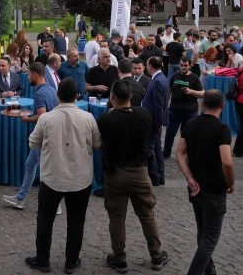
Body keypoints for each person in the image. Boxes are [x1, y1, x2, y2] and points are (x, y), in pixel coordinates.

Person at [24, 77, 102, 274]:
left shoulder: (46, 118)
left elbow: (33, 142)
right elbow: (97, 144)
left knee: (45, 219)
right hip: (80, 178)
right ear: (77, 96)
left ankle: (42, 259)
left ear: (57, 95)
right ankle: (71, 261)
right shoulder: (88, 118)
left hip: (52, 177)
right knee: (76, 221)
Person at [98, 80, 167, 273]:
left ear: (112, 98)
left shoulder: (105, 119)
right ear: (131, 97)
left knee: (117, 218)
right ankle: (156, 255)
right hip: (140, 172)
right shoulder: (144, 115)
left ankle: (119, 258)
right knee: (147, 216)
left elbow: (99, 143)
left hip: (115, 174)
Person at [176, 89, 234, 275]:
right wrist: (230, 181)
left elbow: (180, 152)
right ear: (222, 106)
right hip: (215, 189)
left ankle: (209, 270)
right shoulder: (222, 129)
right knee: (210, 239)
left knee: (203, 231)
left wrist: (189, 177)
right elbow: (226, 161)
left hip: (195, 188)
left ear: (203, 104)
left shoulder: (191, 124)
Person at [2, 62, 59, 210]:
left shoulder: (39, 93)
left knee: (47, 172)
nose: (27, 78)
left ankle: (55, 205)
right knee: (30, 165)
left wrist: (27, 119)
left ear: (34, 74)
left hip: (44, 137)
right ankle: (20, 198)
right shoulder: (51, 89)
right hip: (47, 135)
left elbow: (42, 116)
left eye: (28, 74)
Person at [163, 57, 204, 160]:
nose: (183, 67)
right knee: (169, 133)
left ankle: (185, 154)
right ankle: (166, 153)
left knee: (187, 135)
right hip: (174, 110)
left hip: (190, 112)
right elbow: (169, 90)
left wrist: (191, 92)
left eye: (185, 65)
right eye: (181, 65)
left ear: (189, 65)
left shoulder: (194, 78)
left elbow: (202, 93)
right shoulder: (175, 76)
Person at [143, 56, 171, 186]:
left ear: (150, 66)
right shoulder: (161, 79)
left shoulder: (158, 81)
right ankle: (160, 175)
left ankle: (155, 177)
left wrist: (158, 123)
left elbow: (159, 104)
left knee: (150, 149)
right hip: (156, 120)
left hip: (154, 121)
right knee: (157, 148)